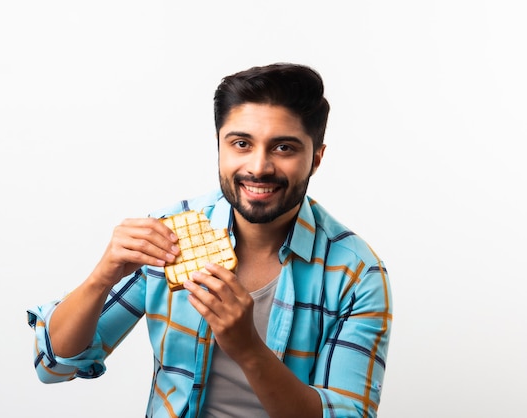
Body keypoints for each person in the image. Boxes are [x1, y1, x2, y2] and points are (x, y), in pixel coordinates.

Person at [27, 63, 393, 418]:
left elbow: (349, 414)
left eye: (284, 148)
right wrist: (100, 279)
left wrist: (248, 349)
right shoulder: (169, 235)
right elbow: (54, 366)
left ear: (316, 158)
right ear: (219, 146)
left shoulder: (356, 273)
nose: (259, 167)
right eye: (241, 144)